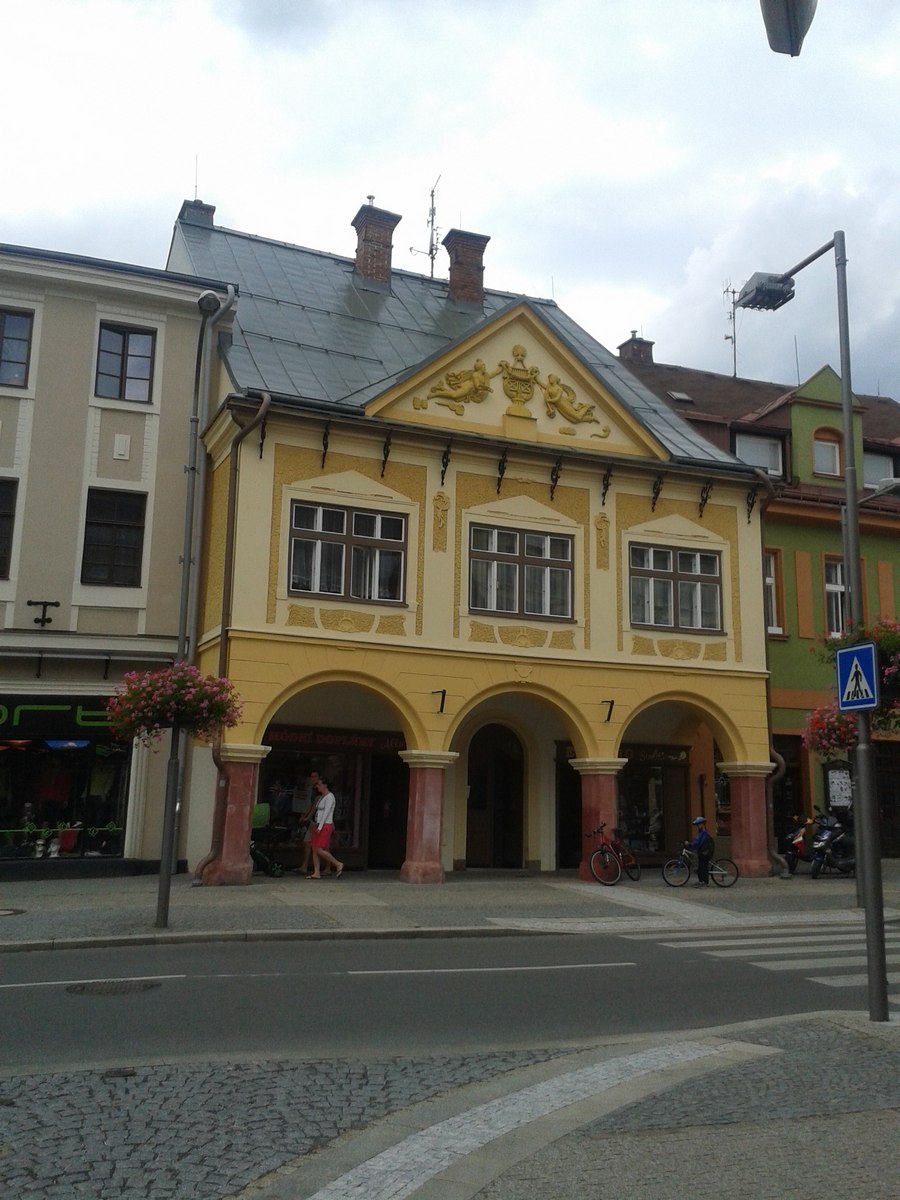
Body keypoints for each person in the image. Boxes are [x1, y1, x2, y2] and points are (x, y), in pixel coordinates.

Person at [307, 777, 343, 879]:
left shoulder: (330, 797)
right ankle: (316, 872)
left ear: (325, 785)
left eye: (319, 784)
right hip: (317, 824)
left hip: (325, 824)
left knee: (319, 848)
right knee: (314, 848)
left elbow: (326, 813)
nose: (317, 786)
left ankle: (337, 863)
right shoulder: (322, 797)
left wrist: (320, 826)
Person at [685, 815, 714, 886]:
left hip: (705, 852)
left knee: (703, 867)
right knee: (701, 866)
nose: (698, 826)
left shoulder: (703, 833)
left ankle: (705, 882)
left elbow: (698, 843)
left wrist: (689, 844)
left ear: (702, 824)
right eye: (697, 825)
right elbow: (697, 841)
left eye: (699, 824)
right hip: (703, 852)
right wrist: (691, 844)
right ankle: (701, 881)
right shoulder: (701, 832)